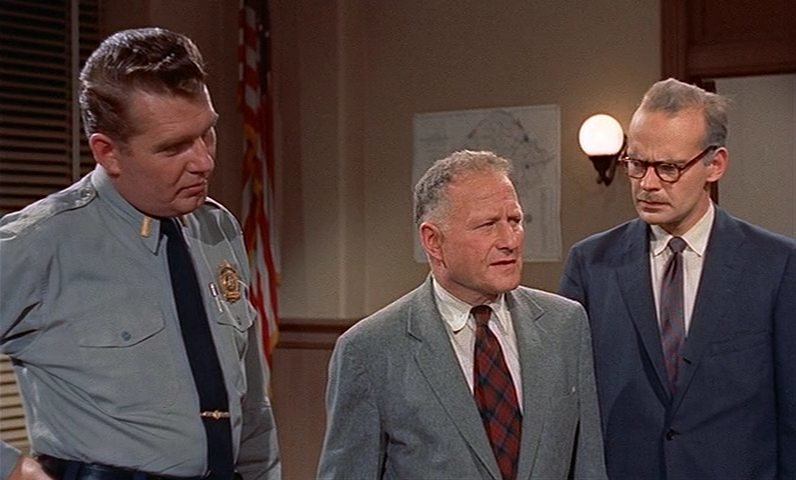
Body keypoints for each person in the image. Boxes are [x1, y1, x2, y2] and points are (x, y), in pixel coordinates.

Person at [0, 28, 281, 480]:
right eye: (174, 147)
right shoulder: (41, 243)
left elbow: (250, 404)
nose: (204, 161)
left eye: (207, 134)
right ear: (108, 152)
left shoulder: (218, 227)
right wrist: (15, 471)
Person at [317, 150, 607, 480]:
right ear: (433, 241)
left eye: (515, 221)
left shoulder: (564, 324)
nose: (509, 241)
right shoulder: (370, 349)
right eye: (487, 225)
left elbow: (589, 466)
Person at [559, 78, 796, 479]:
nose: (648, 184)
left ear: (714, 165)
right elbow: (569, 407)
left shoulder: (777, 265)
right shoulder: (590, 264)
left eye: (669, 168)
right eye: (637, 164)